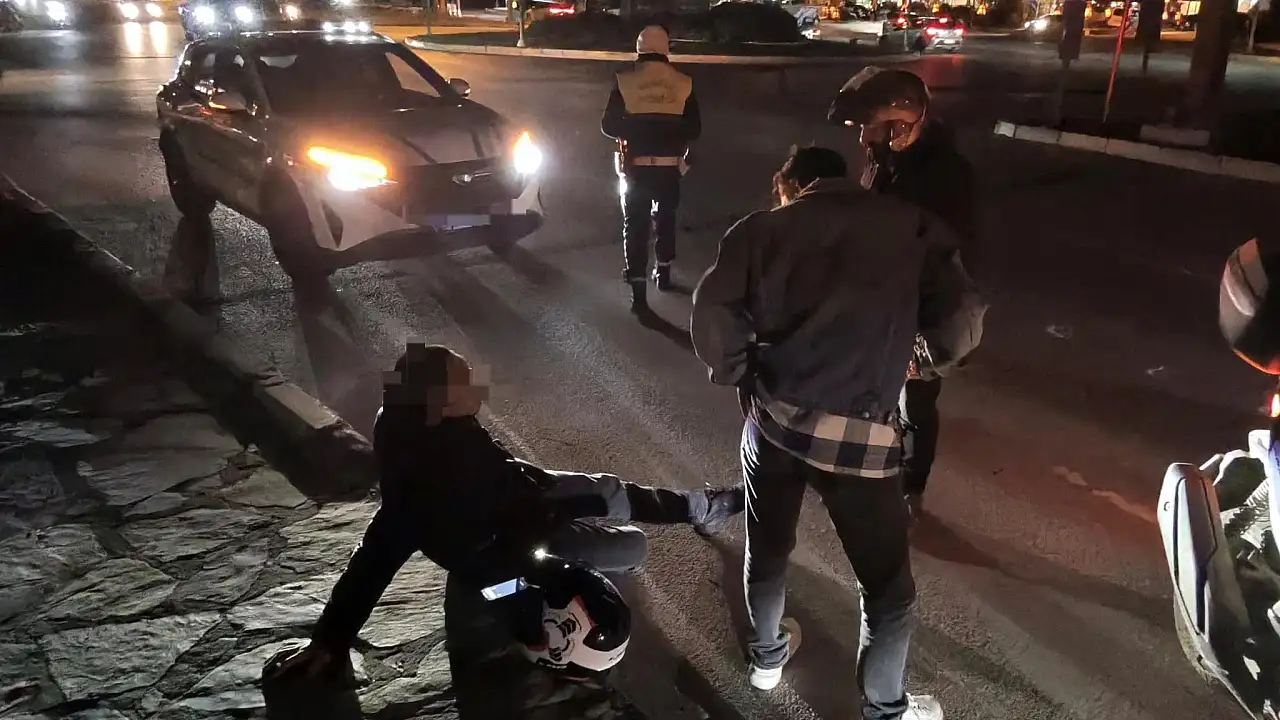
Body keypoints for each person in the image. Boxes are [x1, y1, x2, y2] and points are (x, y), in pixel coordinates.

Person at [690, 146, 980, 719]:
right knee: (887, 591)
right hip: (862, 441)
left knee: (768, 548)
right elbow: (962, 317)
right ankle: (884, 710)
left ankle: (767, 661)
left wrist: (741, 374)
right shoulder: (911, 226)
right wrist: (924, 359)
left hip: (773, 426)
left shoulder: (758, 230)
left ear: (791, 185)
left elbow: (711, 314)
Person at [264, 342, 743, 679]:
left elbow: (499, 478)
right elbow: (373, 559)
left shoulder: (414, 424)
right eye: (466, 381)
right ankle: (663, 518)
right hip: (519, 541)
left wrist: (577, 496)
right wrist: (330, 638)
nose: (479, 384)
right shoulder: (424, 494)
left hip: (522, 497)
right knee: (632, 546)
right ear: (441, 403)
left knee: (607, 492)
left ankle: (697, 507)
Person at [828, 67, 980, 521]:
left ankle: (911, 488)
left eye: (871, 128)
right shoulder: (884, 160)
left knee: (915, 403)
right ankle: (875, 474)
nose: (863, 139)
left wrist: (926, 335)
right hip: (881, 304)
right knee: (871, 398)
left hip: (920, 309)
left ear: (902, 124)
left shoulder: (948, 175)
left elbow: (954, 262)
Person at [601, 24, 702, 316]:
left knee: (635, 225)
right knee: (666, 218)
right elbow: (694, 129)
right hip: (670, 169)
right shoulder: (684, 83)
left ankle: (638, 292)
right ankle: (664, 271)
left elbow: (608, 125)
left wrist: (635, 128)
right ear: (666, 48)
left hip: (636, 168)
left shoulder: (624, 80)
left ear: (639, 48)